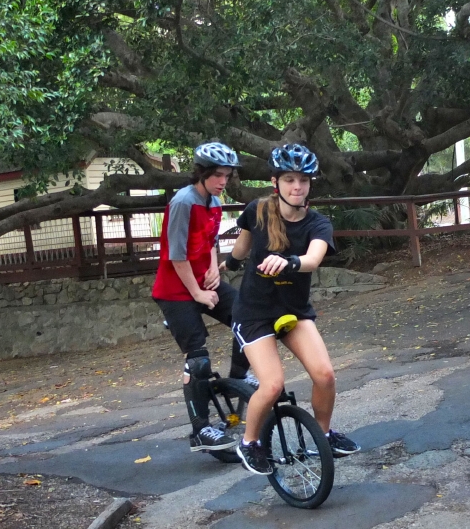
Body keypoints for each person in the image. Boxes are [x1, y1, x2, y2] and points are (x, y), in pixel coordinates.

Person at [224, 143, 360, 475]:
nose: (297, 186)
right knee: (271, 385)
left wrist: (288, 262)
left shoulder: (317, 223)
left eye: (303, 180)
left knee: (325, 375)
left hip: (294, 311)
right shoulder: (256, 210)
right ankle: (249, 442)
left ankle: (324, 434)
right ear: (276, 182)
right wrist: (221, 268)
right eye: (289, 179)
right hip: (254, 314)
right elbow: (241, 248)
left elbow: (313, 259)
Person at [151, 141, 257, 453]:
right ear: (202, 174)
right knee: (198, 361)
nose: (224, 181)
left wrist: (213, 270)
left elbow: (210, 241)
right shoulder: (184, 203)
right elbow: (176, 257)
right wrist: (197, 292)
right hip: (175, 291)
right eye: (218, 176)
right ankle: (201, 430)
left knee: (247, 314)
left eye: (227, 175)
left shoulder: (213, 201)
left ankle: (239, 377)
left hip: (201, 281)